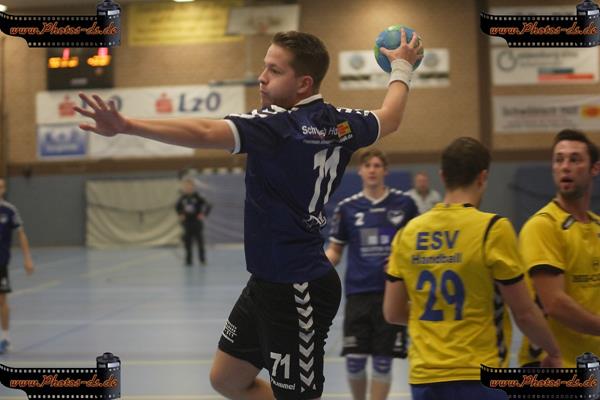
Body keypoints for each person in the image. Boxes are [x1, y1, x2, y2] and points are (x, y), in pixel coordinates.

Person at [74, 29, 422, 400]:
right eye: (264, 66)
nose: (262, 77)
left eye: (274, 70)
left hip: (298, 287)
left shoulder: (277, 126)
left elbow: (204, 132)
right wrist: (401, 67)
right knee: (226, 378)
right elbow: (391, 117)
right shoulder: (342, 123)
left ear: (303, 83)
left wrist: (127, 126)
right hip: (265, 282)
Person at [383, 137, 562, 400]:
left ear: (443, 176)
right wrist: (554, 351)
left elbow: (392, 312)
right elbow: (524, 313)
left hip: (424, 378)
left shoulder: (407, 233)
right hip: (480, 373)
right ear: (483, 177)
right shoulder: (493, 229)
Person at [325, 149, 418, 400]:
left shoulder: (405, 204)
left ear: (385, 170)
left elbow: (416, 246)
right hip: (358, 294)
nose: (372, 170)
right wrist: (311, 269)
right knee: (354, 361)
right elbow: (335, 250)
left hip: (392, 294)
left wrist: (402, 261)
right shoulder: (347, 208)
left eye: (377, 165)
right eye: (368, 166)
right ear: (360, 171)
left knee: (383, 361)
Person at [518, 129, 600, 368]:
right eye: (559, 160)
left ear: (594, 168)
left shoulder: (596, 226)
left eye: (575, 159)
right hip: (553, 367)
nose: (565, 167)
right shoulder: (543, 225)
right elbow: (555, 303)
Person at [0, 177, 34, 354]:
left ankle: (5, 338)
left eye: (1, 187)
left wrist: (27, 258)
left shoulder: (9, 210)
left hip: (1, 262)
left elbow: (21, 234)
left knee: (2, 300)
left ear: (4, 189)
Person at [175, 177, 211, 266]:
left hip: (196, 222)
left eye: (190, 186)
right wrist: (180, 214)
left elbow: (209, 205)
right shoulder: (183, 198)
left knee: (199, 241)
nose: (188, 188)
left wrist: (203, 214)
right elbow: (177, 207)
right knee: (187, 242)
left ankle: (202, 260)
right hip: (187, 223)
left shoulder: (198, 197)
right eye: (186, 186)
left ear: (193, 187)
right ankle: (188, 260)